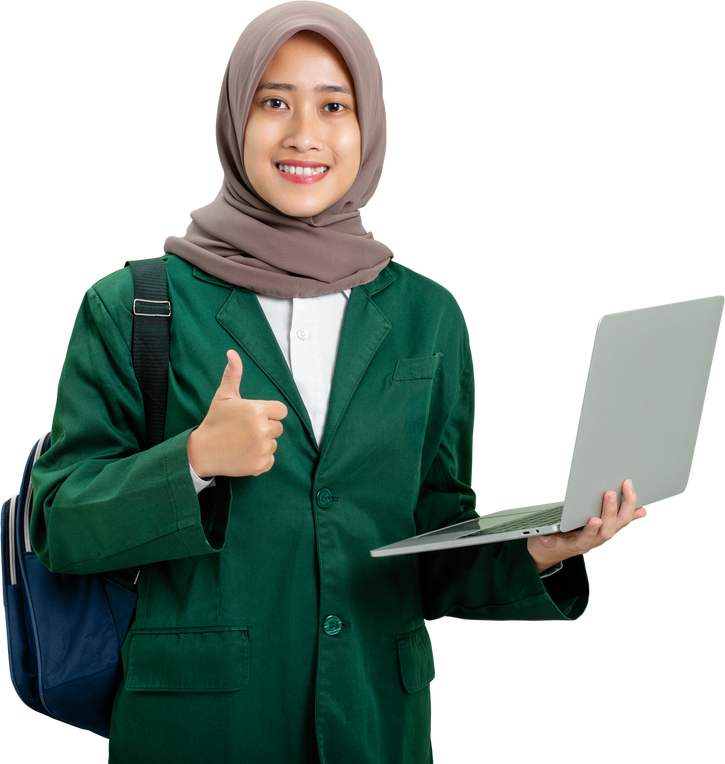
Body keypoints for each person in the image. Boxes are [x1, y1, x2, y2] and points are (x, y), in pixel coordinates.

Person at [29, 2, 649, 762]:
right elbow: (59, 522)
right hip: (201, 730)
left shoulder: (426, 316)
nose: (303, 134)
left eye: (333, 105)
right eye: (274, 102)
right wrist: (190, 463)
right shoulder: (136, 306)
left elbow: (430, 547)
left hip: (372, 724)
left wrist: (544, 547)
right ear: (233, 117)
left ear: (368, 127)